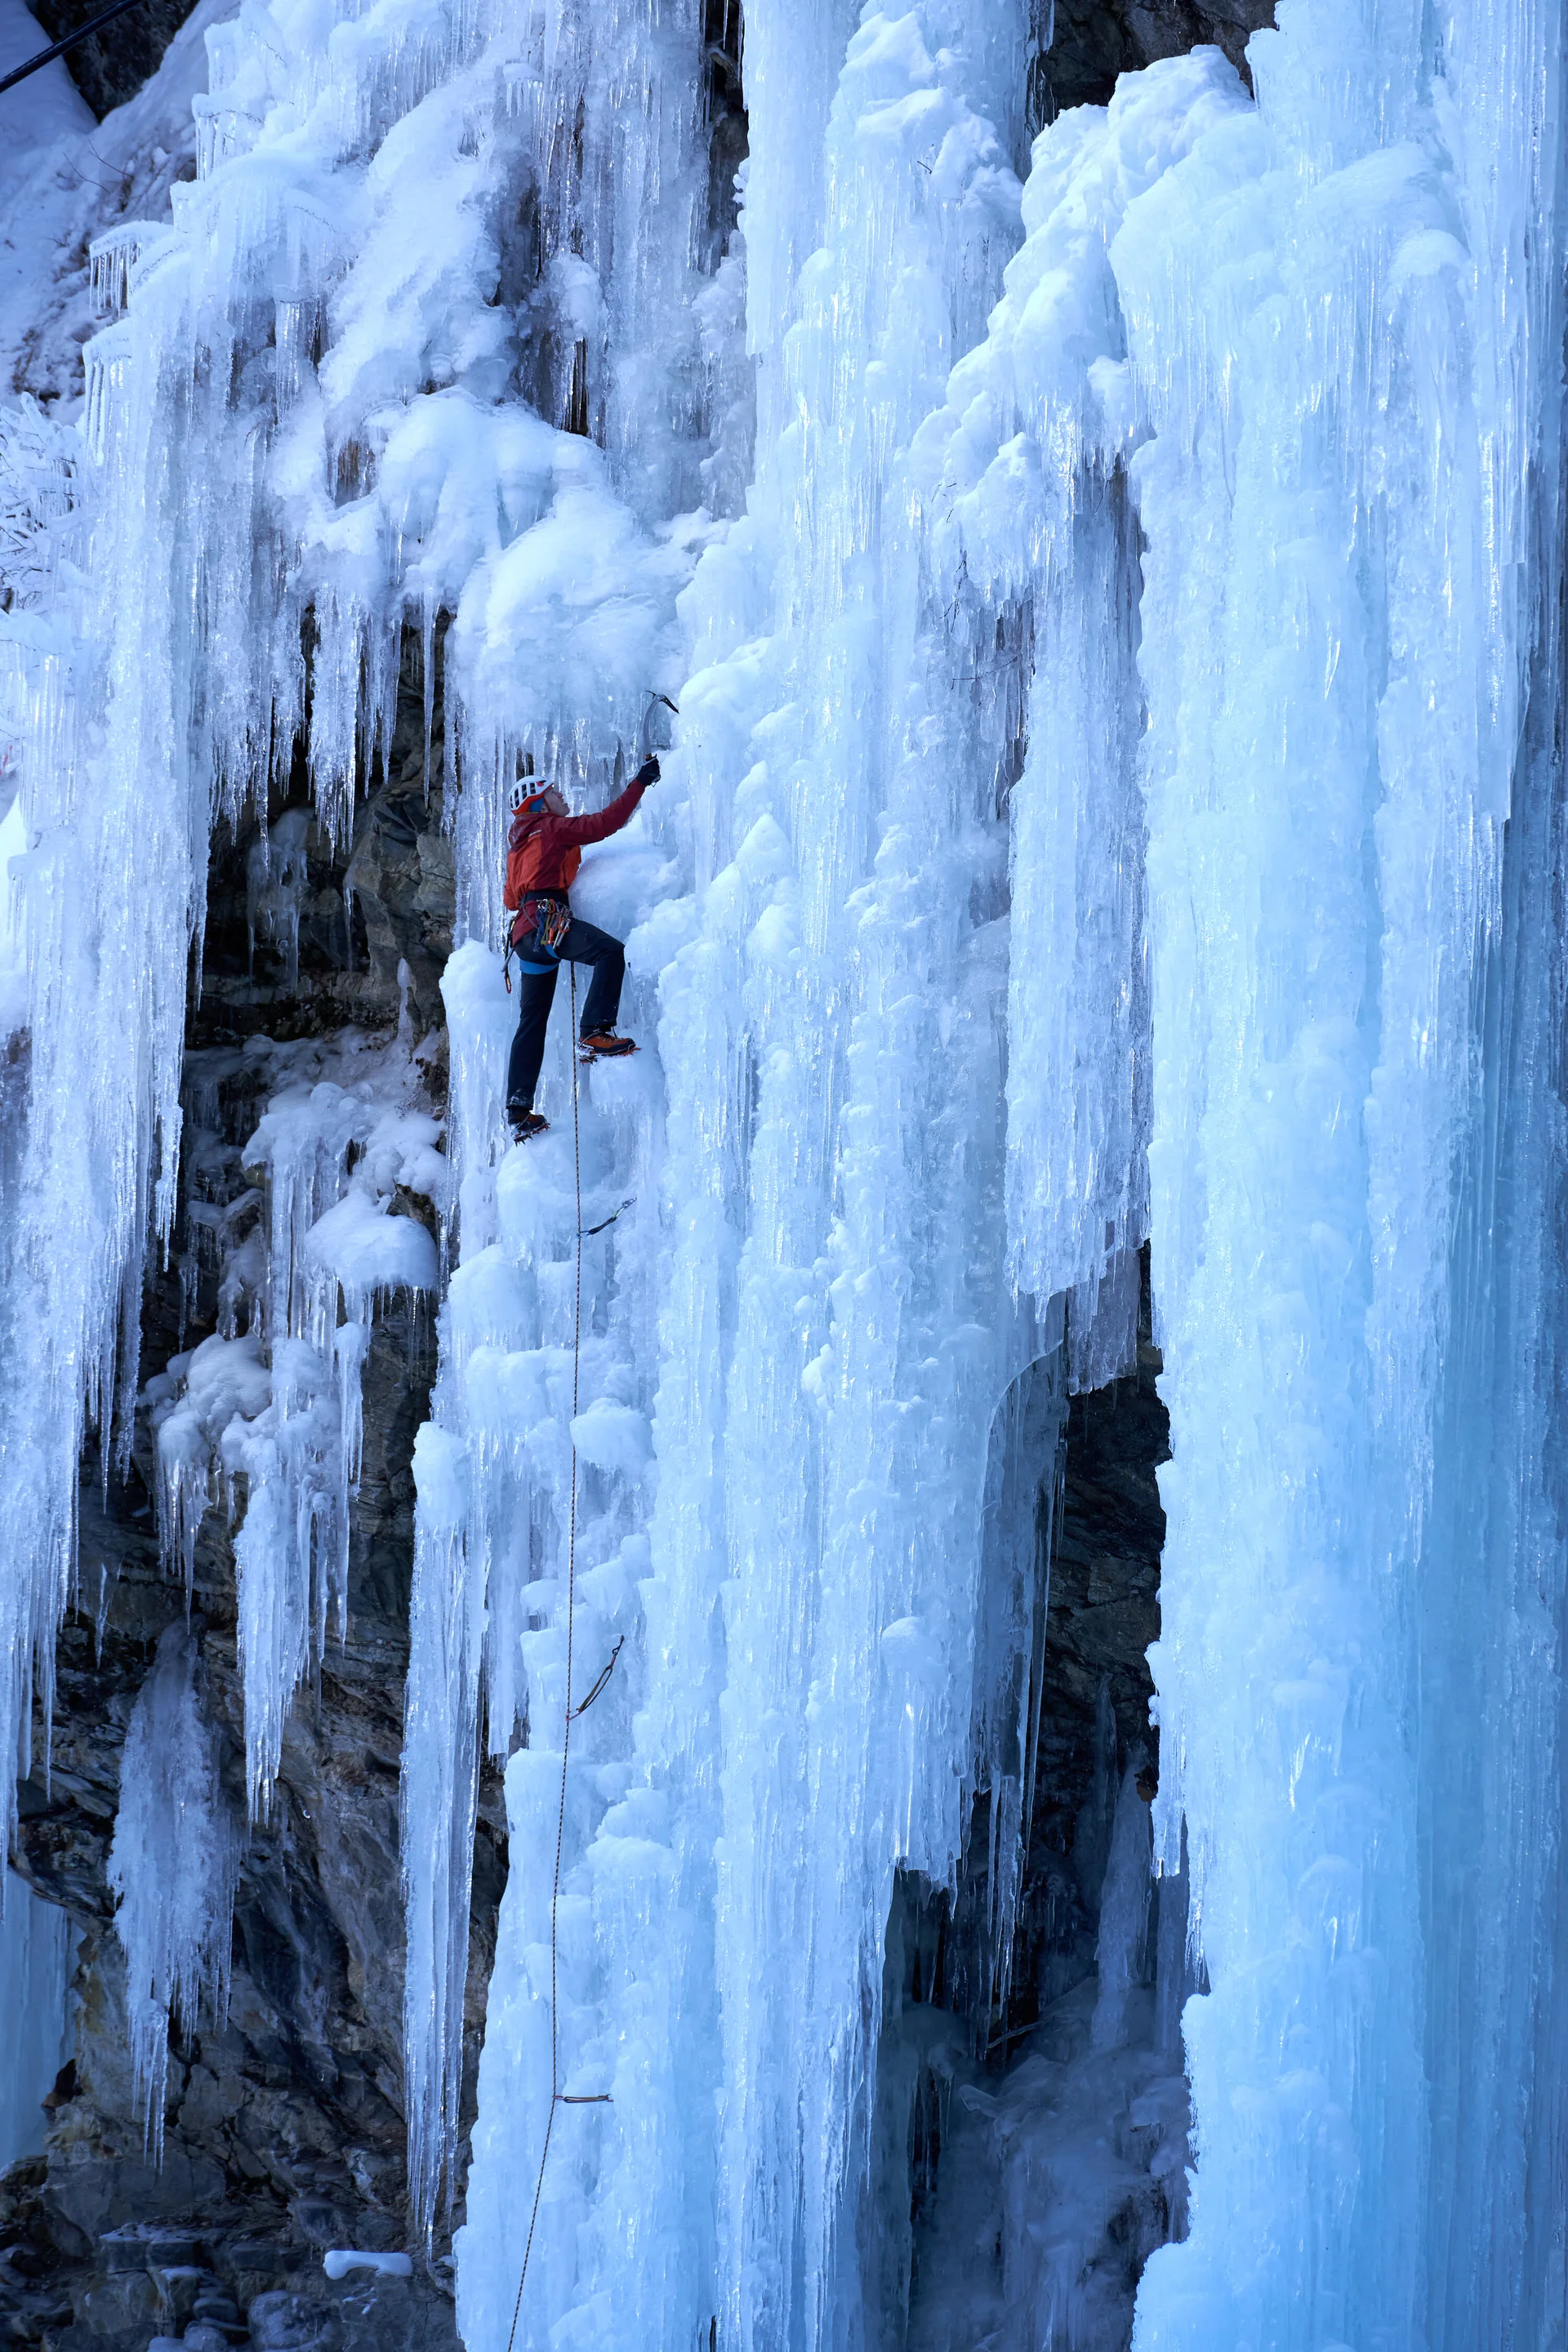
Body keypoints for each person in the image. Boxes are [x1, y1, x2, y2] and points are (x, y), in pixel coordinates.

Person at [502, 752, 660, 1142]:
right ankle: (594, 1031)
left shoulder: (518, 846)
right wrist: (640, 781)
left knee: (532, 1023)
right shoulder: (552, 827)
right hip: (549, 924)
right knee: (609, 952)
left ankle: (518, 1111)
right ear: (539, 803)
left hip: (525, 938)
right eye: (553, 792)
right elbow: (605, 823)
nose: (561, 796)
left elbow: (510, 899)